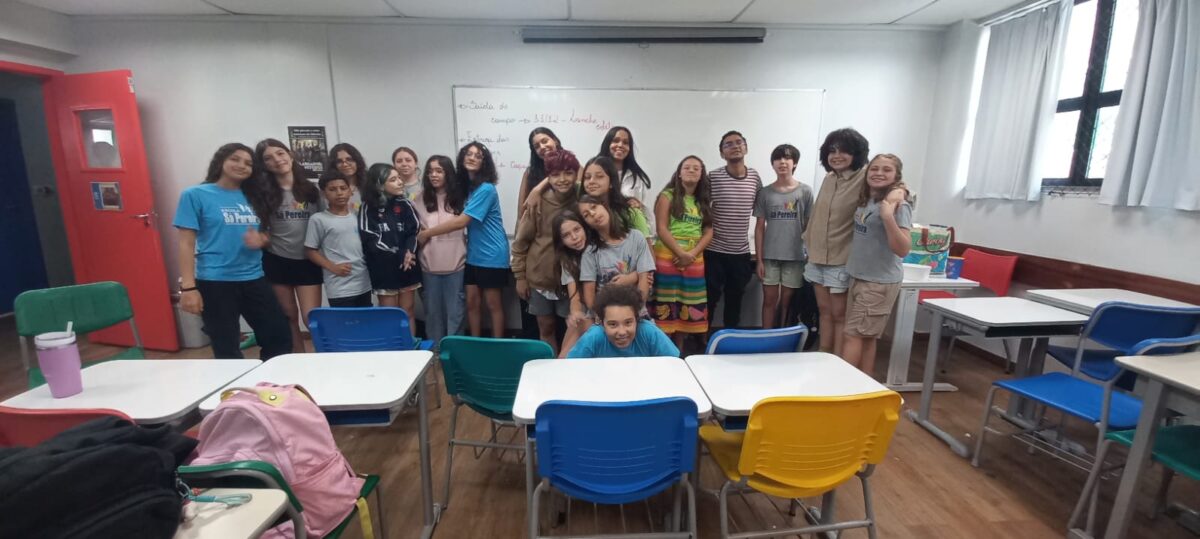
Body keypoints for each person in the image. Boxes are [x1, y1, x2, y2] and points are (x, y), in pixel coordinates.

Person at [174, 143, 291, 360]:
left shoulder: (255, 195)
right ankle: (235, 382)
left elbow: (266, 233)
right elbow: (185, 244)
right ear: (221, 161)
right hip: (215, 281)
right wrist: (188, 288)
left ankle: (270, 379)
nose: (242, 165)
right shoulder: (195, 195)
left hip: (254, 277)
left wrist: (262, 239)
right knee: (226, 346)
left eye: (248, 163)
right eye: (235, 159)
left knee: (279, 336)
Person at [417, 142, 509, 338]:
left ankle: (498, 347)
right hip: (473, 255)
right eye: (468, 154)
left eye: (478, 155)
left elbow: (462, 222)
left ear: (485, 163)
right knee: (472, 302)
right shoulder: (466, 188)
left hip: (492, 254)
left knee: (493, 304)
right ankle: (473, 345)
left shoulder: (486, 189)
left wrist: (427, 233)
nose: (472, 158)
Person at [245, 138, 323, 353]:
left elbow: (324, 224)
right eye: (268, 158)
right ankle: (298, 360)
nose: (277, 160)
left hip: (307, 261)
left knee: (311, 318)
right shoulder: (262, 193)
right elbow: (259, 226)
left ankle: (323, 360)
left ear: (290, 154)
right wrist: (261, 238)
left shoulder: (312, 190)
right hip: (277, 260)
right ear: (264, 165)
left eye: (280, 153)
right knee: (288, 315)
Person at [842, 154, 912, 375]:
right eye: (874, 168)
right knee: (866, 336)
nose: (879, 173)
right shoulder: (868, 200)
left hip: (878, 282)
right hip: (859, 276)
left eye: (886, 170)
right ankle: (864, 386)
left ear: (896, 176)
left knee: (852, 335)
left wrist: (888, 217)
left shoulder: (898, 206)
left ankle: (840, 387)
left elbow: (903, 249)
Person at [803, 128, 870, 355]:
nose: (837, 156)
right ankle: (824, 353)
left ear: (856, 153)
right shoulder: (829, 178)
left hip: (841, 257)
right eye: (832, 151)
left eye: (844, 151)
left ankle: (839, 360)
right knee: (823, 310)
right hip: (817, 256)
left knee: (840, 314)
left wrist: (900, 192)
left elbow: (896, 186)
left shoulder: (864, 177)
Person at [511, 149, 580, 355]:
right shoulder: (537, 202)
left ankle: (568, 368)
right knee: (546, 328)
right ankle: (550, 368)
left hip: (572, 280)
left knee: (573, 329)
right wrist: (520, 277)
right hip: (540, 278)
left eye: (568, 173)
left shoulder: (582, 197)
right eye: (556, 174)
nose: (562, 179)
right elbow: (520, 242)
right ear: (548, 177)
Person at [651, 155, 713, 350]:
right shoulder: (667, 196)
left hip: (694, 258)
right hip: (668, 255)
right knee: (667, 301)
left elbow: (709, 231)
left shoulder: (703, 200)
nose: (691, 170)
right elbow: (661, 228)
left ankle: (678, 350)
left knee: (687, 301)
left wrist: (691, 254)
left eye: (696, 168)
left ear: (701, 174)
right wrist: (680, 253)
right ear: (679, 173)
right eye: (687, 167)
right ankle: (663, 350)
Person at [706, 130, 762, 330]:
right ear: (722, 153)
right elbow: (700, 209)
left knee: (735, 300)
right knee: (709, 298)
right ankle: (702, 339)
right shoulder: (713, 177)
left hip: (740, 253)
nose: (735, 146)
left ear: (746, 147)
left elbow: (760, 213)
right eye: (728, 144)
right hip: (714, 251)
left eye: (739, 142)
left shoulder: (754, 177)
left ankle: (731, 340)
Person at [754, 144, 814, 329]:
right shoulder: (765, 193)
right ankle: (766, 338)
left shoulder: (805, 191)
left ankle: (783, 337)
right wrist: (759, 260)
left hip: (795, 257)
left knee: (787, 302)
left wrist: (810, 254)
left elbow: (809, 226)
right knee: (769, 300)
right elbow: (759, 227)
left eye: (787, 158)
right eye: (778, 158)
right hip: (770, 256)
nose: (782, 162)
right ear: (772, 164)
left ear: (794, 163)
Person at [359, 163, 422, 329]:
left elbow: (414, 232)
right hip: (384, 268)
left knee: (408, 310)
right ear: (379, 185)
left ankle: (410, 344)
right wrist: (398, 253)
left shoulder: (405, 204)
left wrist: (408, 252)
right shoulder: (368, 207)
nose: (400, 182)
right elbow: (370, 238)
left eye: (399, 178)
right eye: (393, 180)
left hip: (407, 264)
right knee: (390, 314)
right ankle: (393, 345)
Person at [415, 155, 466, 346]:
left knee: (456, 311)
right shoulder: (419, 199)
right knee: (433, 313)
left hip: (457, 265)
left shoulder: (461, 198)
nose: (434, 175)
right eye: (430, 171)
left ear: (448, 173)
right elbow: (416, 233)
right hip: (429, 266)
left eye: (439, 171)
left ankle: (455, 349)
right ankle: (435, 350)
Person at [577, 195, 654, 317]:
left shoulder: (636, 237)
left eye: (594, 207)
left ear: (605, 206)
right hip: (604, 316)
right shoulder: (590, 252)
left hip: (636, 313)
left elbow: (644, 280)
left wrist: (633, 313)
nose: (592, 214)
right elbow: (590, 300)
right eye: (586, 215)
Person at [305, 175, 372, 307]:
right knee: (344, 319)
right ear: (323, 193)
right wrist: (332, 267)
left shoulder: (358, 216)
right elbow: (310, 251)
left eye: (343, 188)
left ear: (350, 191)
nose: (339, 193)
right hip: (340, 287)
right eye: (332, 189)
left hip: (363, 283)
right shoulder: (318, 219)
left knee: (365, 318)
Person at [567, 285, 680, 358]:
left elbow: (674, 364)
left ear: (637, 319)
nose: (622, 332)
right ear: (601, 323)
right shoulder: (593, 337)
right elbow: (572, 369)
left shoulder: (649, 333)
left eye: (628, 323)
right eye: (613, 324)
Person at [552, 210, 597, 358]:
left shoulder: (598, 248)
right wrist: (575, 312)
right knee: (563, 356)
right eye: (566, 235)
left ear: (585, 227)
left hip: (603, 312)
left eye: (577, 229)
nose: (574, 237)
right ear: (560, 241)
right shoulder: (568, 260)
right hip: (586, 313)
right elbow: (574, 296)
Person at [580, 155, 652, 242]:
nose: (591, 181)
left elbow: (647, 248)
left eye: (599, 176)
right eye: (587, 177)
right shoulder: (581, 213)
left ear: (611, 182)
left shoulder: (631, 214)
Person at [597, 126, 654, 230]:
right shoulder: (595, 174)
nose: (620, 145)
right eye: (616, 141)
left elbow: (648, 214)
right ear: (607, 144)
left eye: (625, 143)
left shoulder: (638, 178)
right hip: (600, 231)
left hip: (632, 232)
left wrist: (640, 207)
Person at [516, 127, 561, 219]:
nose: (542, 147)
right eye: (536, 146)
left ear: (555, 141)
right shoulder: (530, 173)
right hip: (538, 225)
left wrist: (537, 190)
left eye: (545, 141)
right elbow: (521, 213)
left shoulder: (573, 167)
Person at [321, 143, 367, 213]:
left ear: (357, 161)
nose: (345, 164)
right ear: (334, 165)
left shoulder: (369, 186)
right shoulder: (327, 190)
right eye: (339, 161)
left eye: (349, 159)